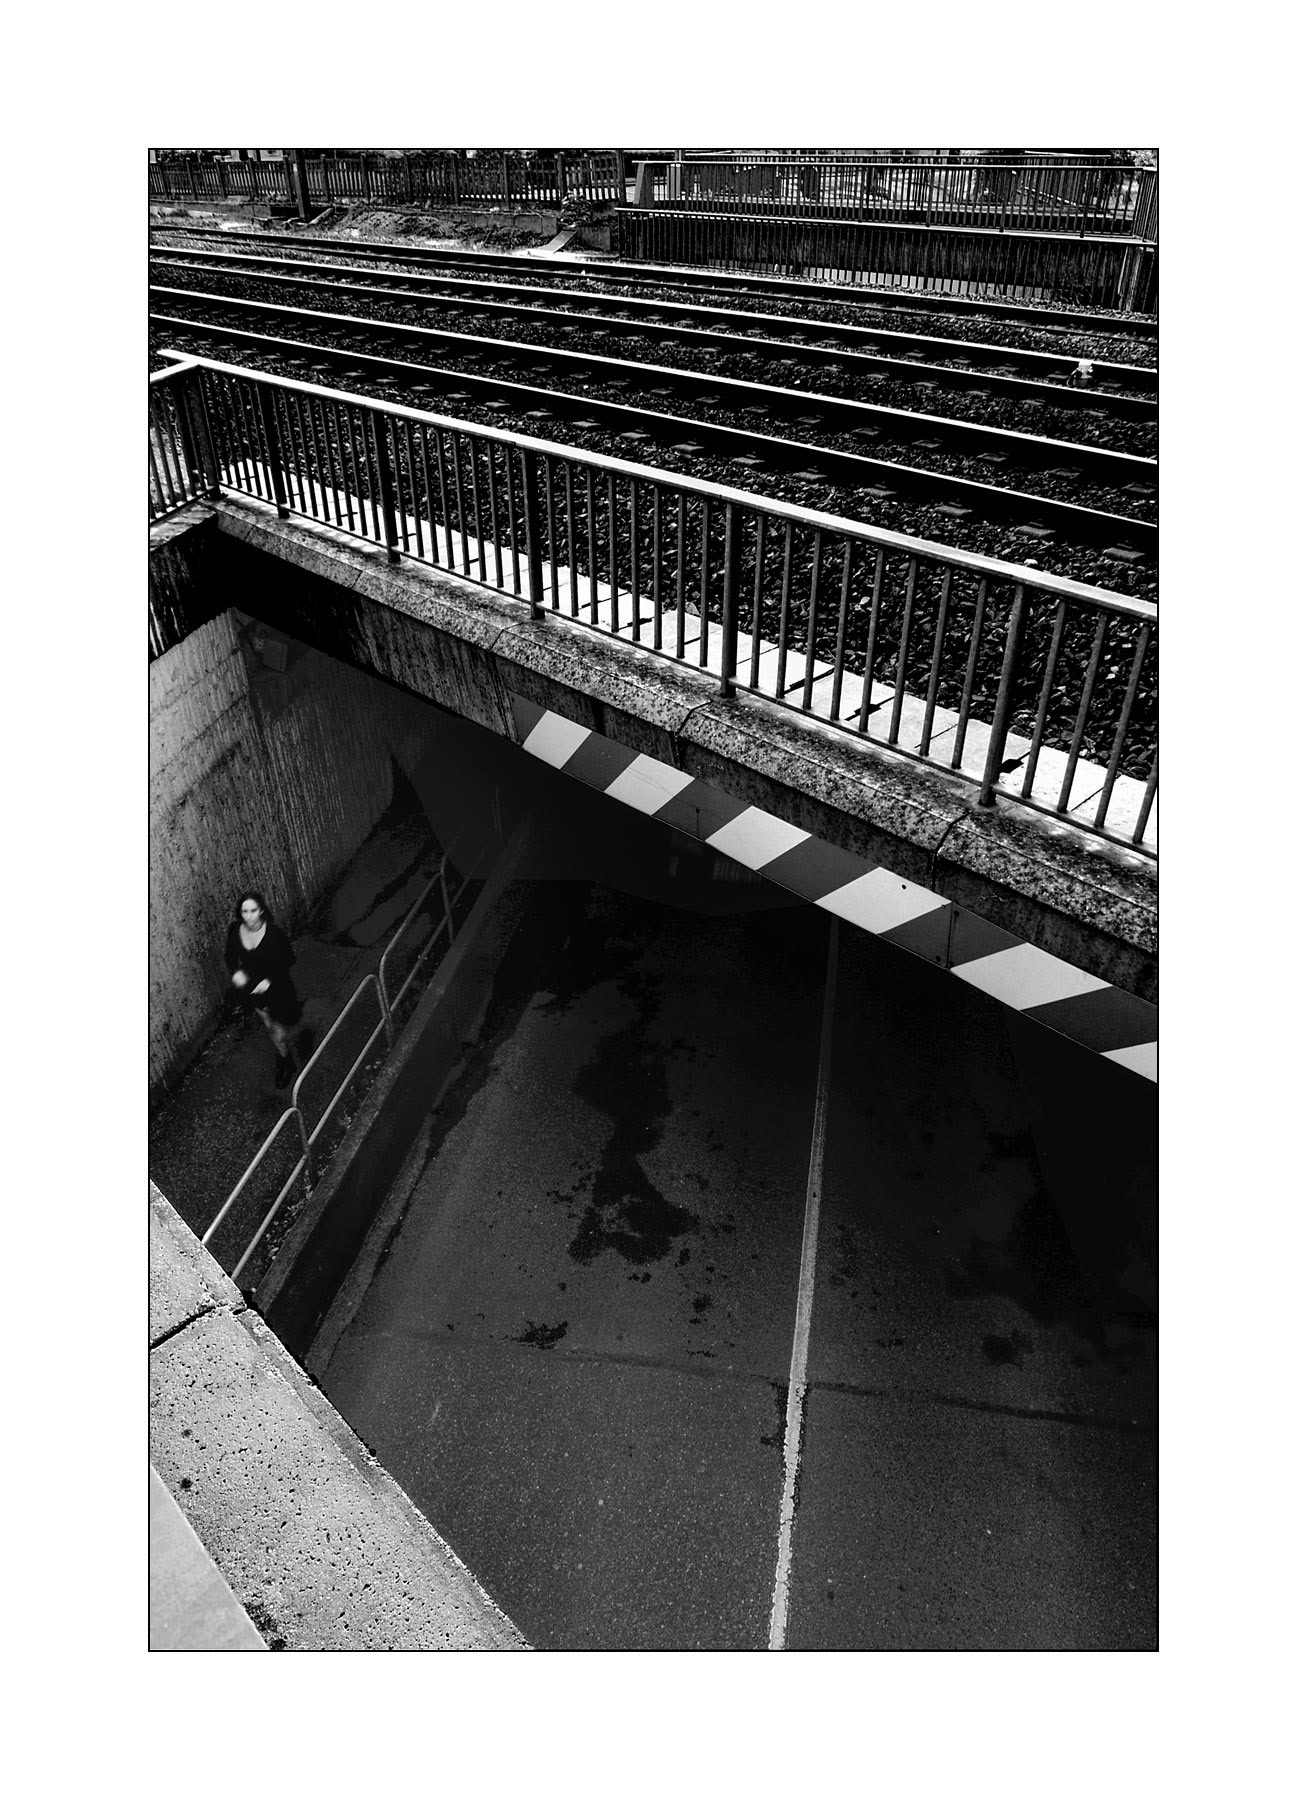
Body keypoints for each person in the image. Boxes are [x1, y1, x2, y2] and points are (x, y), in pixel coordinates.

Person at [224, 891, 303, 1089]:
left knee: (283, 1023)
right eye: (244, 911)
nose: (249, 916)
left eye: (253, 911)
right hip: (253, 988)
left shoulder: (274, 934)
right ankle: (286, 1061)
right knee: (271, 1026)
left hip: (277, 985)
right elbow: (230, 956)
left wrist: (269, 980)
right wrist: (237, 972)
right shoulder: (236, 931)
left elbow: (288, 959)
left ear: (261, 911)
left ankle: (287, 1052)